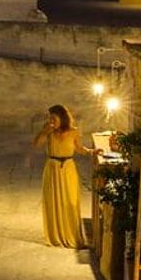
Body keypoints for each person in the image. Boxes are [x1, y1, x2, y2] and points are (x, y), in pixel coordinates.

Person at [34, 103, 93, 250]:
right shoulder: (49, 131)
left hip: (68, 169)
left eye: (54, 118)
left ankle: (72, 235)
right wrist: (45, 132)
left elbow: (78, 148)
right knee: (54, 202)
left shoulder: (73, 131)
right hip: (52, 168)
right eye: (50, 118)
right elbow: (36, 144)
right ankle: (56, 236)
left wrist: (91, 151)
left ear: (62, 118)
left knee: (71, 202)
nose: (51, 121)